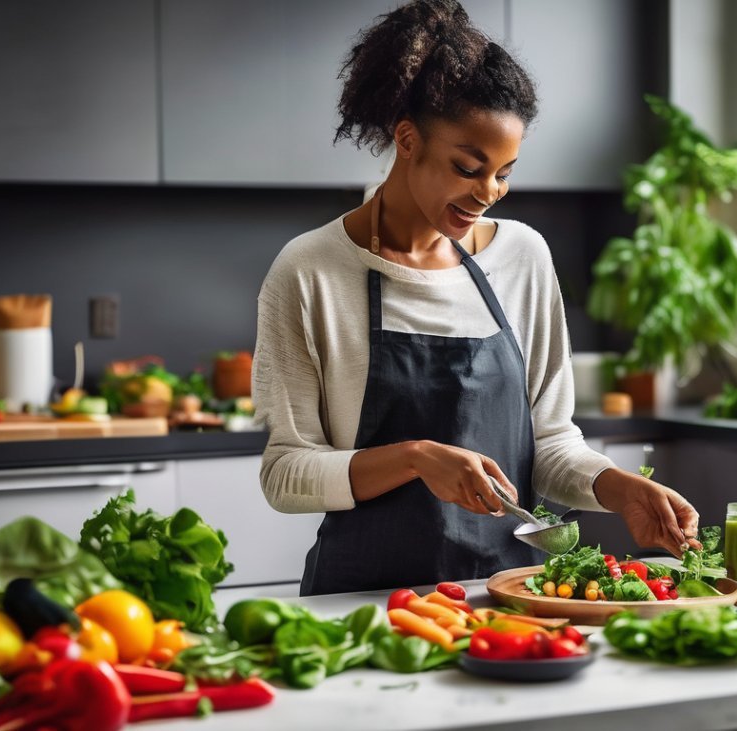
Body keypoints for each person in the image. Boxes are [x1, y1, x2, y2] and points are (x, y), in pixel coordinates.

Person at [253, 0, 699, 596]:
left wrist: (618, 487)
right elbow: (286, 475)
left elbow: (551, 443)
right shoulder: (309, 271)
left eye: (504, 172)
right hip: (365, 603)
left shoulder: (523, 258)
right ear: (407, 139)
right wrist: (414, 457)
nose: (489, 192)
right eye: (468, 168)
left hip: (510, 594)